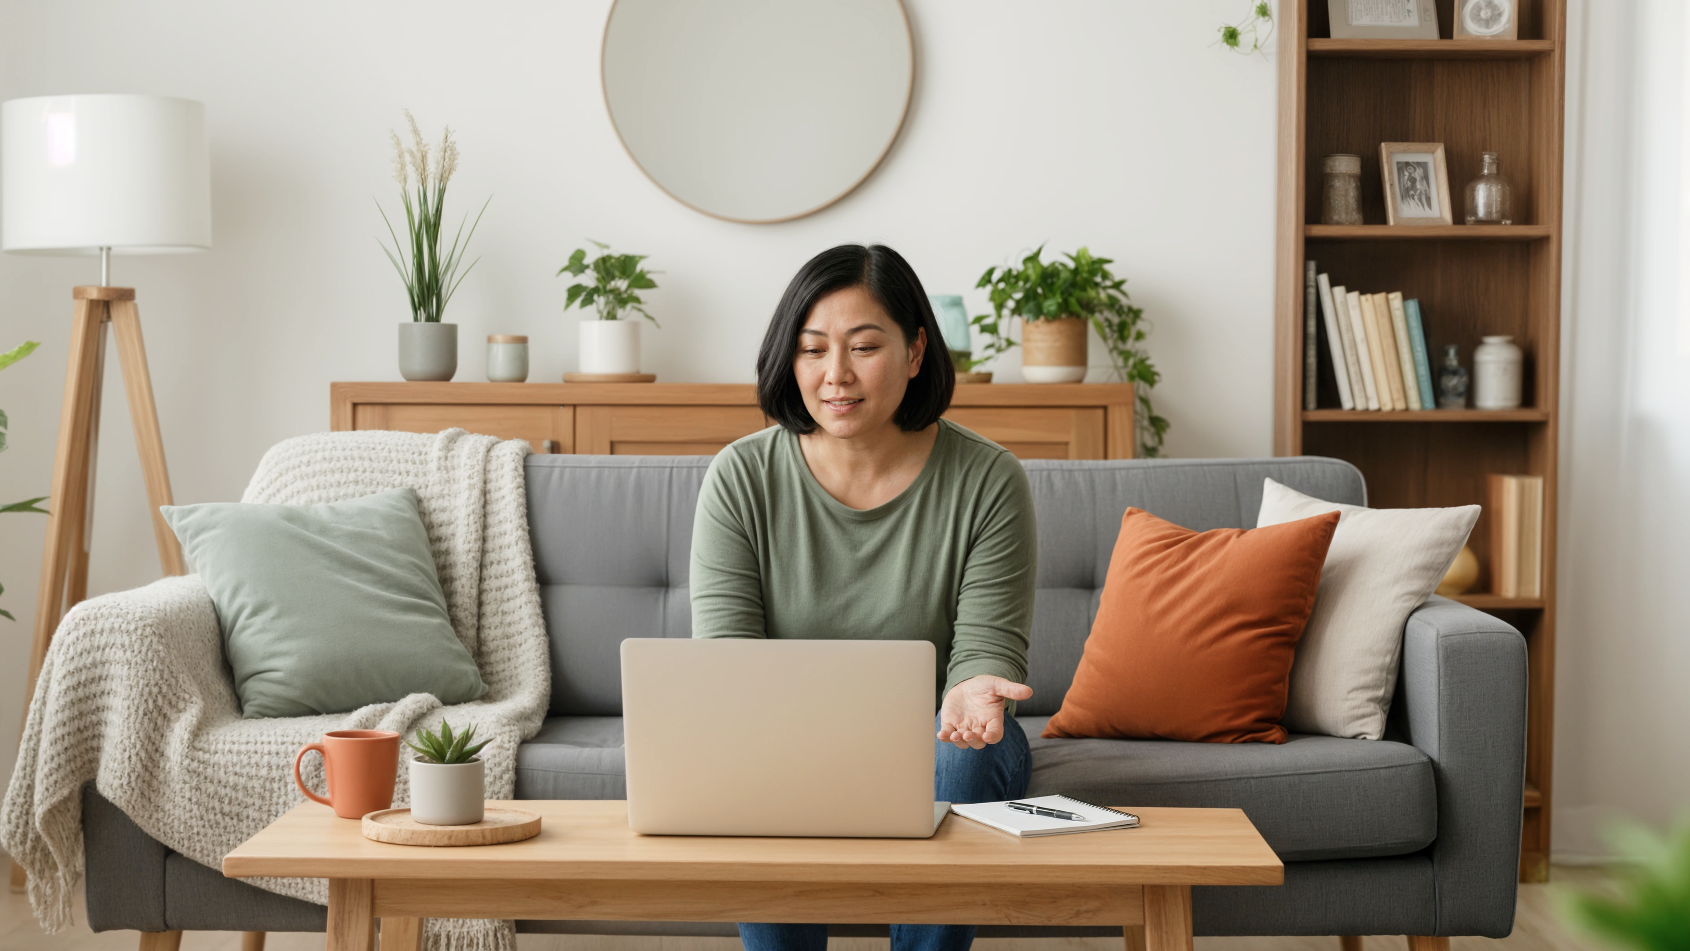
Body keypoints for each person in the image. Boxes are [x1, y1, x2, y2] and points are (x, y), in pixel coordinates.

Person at [690, 244, 1038, 951]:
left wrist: (971, 692)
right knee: (756, 759)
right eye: (813, 349)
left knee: (964, 756)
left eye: (864, 346)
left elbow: (984, 653)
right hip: (784, 737)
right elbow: (726, 666)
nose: (836, 375)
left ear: (915, 352)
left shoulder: (989, 479)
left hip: (939, 740)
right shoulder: (741, 477)